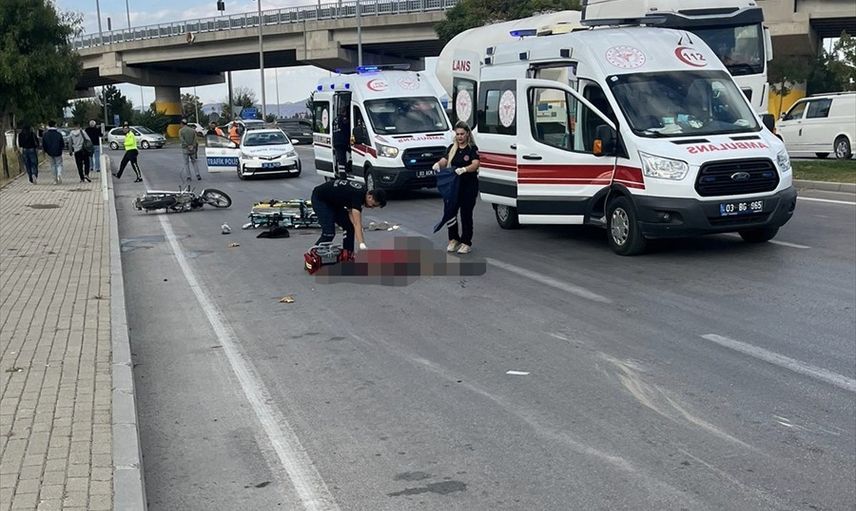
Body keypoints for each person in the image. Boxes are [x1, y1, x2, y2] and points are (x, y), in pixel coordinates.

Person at [432, 121, 480, 254]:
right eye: (457, 134)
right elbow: (445, 160)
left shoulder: (472, 149)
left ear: (467, 134)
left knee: (466, 214)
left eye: (462, 134)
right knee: (450, 212)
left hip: (468, 185)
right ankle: (453, 239)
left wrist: (465, 169)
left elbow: (475, 164)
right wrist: (438, 164)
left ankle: (466, 242)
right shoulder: (452, 148)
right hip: (453, 186)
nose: (460, 137)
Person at [311, 179, 387, 255]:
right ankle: (313, 253)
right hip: (320, 199)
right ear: (370, 197)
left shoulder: (362, 192)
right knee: (329, 232)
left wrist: (355, 227)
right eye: (373, 205)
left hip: (334, 202)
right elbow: (357, 224)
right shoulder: (358, 196)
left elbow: (351, 214)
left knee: (349, 227)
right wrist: (362, 244)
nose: (372, 208)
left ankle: (348, 254)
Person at [41, 120, 65, 184]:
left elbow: (44, 144)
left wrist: (45, 151)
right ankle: (59, 174)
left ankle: (55, 179)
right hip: (58, 151)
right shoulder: (58, 134)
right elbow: (62, 143)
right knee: (59, 164)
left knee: (52, 165)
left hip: (49, 152)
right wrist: (61, 149)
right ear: (55, 125)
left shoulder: (45, 134)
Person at [332, 110, 350, 179]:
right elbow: (346, 129)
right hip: (342, 141)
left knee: (341, 159)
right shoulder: (343, 119)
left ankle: (344, 171)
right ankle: (343, 176)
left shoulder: (335, 120)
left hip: (336, 142)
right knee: (342, 159)